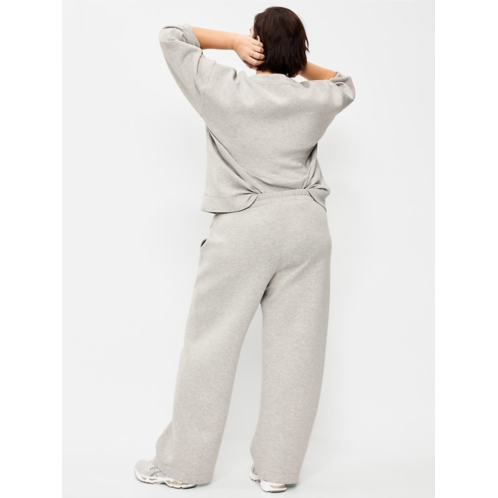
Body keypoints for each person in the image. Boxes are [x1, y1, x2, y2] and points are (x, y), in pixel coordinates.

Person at [134, 6, 355, 493]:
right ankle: (278, 472)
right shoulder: (315, 99)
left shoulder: (223, 88)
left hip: (244, 226)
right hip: (306, 227)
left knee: (210, 348)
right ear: (298, 52)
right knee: (298, 353)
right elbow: (345, 83)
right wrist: (293, 61)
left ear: (256, 45)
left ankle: (183, 467)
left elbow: (172, 36)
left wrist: (234, 43)